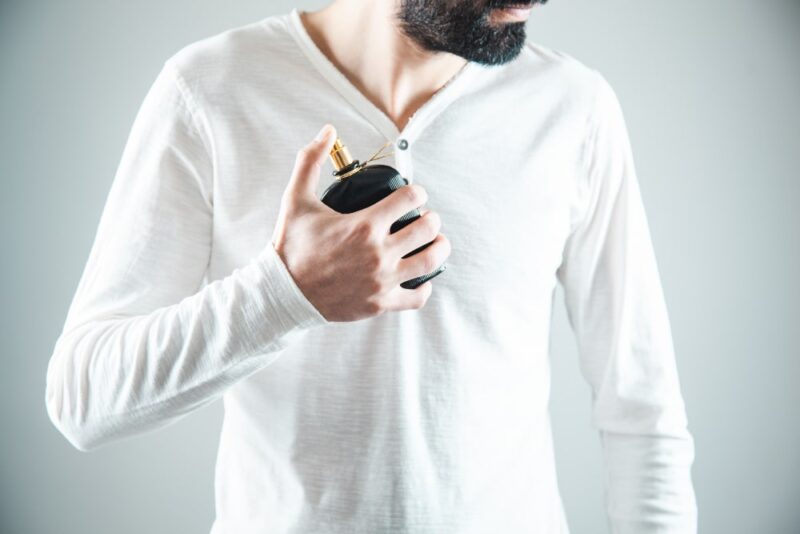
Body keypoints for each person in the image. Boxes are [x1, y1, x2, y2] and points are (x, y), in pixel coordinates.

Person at [45, 0, 698, 532]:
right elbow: (83, 399)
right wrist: (284, 293)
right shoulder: (212, 89)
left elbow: (643, 411)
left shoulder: (573, 108)